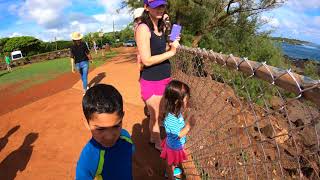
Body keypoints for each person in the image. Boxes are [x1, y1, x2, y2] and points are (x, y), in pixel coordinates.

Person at [136, 0, 180, 151]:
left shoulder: (160, 26)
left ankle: (152, 137)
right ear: (146, 7)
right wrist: (171, 52)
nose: (160, 9)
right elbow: (147, 60)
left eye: (162, 5)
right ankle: (156, 143)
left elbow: (160, 51)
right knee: (155, 117)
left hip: (164, 78)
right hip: (152, 81)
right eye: (156, 6)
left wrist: (172, 44)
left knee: (160, 114)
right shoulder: (143, 28)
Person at [76, 84, 134, 180]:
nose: (109, 137)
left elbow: (132, 153)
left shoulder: (125, 136)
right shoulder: (89, 157)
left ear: (122, 117)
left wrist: (142, 164)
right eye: (100, 129)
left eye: (116, 126)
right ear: (86, 123)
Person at [160, 80, 195, 180]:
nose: (188, 100)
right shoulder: (171, 118)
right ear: (177, 102)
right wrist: (188, 126)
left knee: (173, 161)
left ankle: (171, 169)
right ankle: (170, 175)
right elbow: (177, 135)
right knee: (170, 163)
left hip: (175, 145)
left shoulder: (175, 112)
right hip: (173, 146)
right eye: (186, 99)